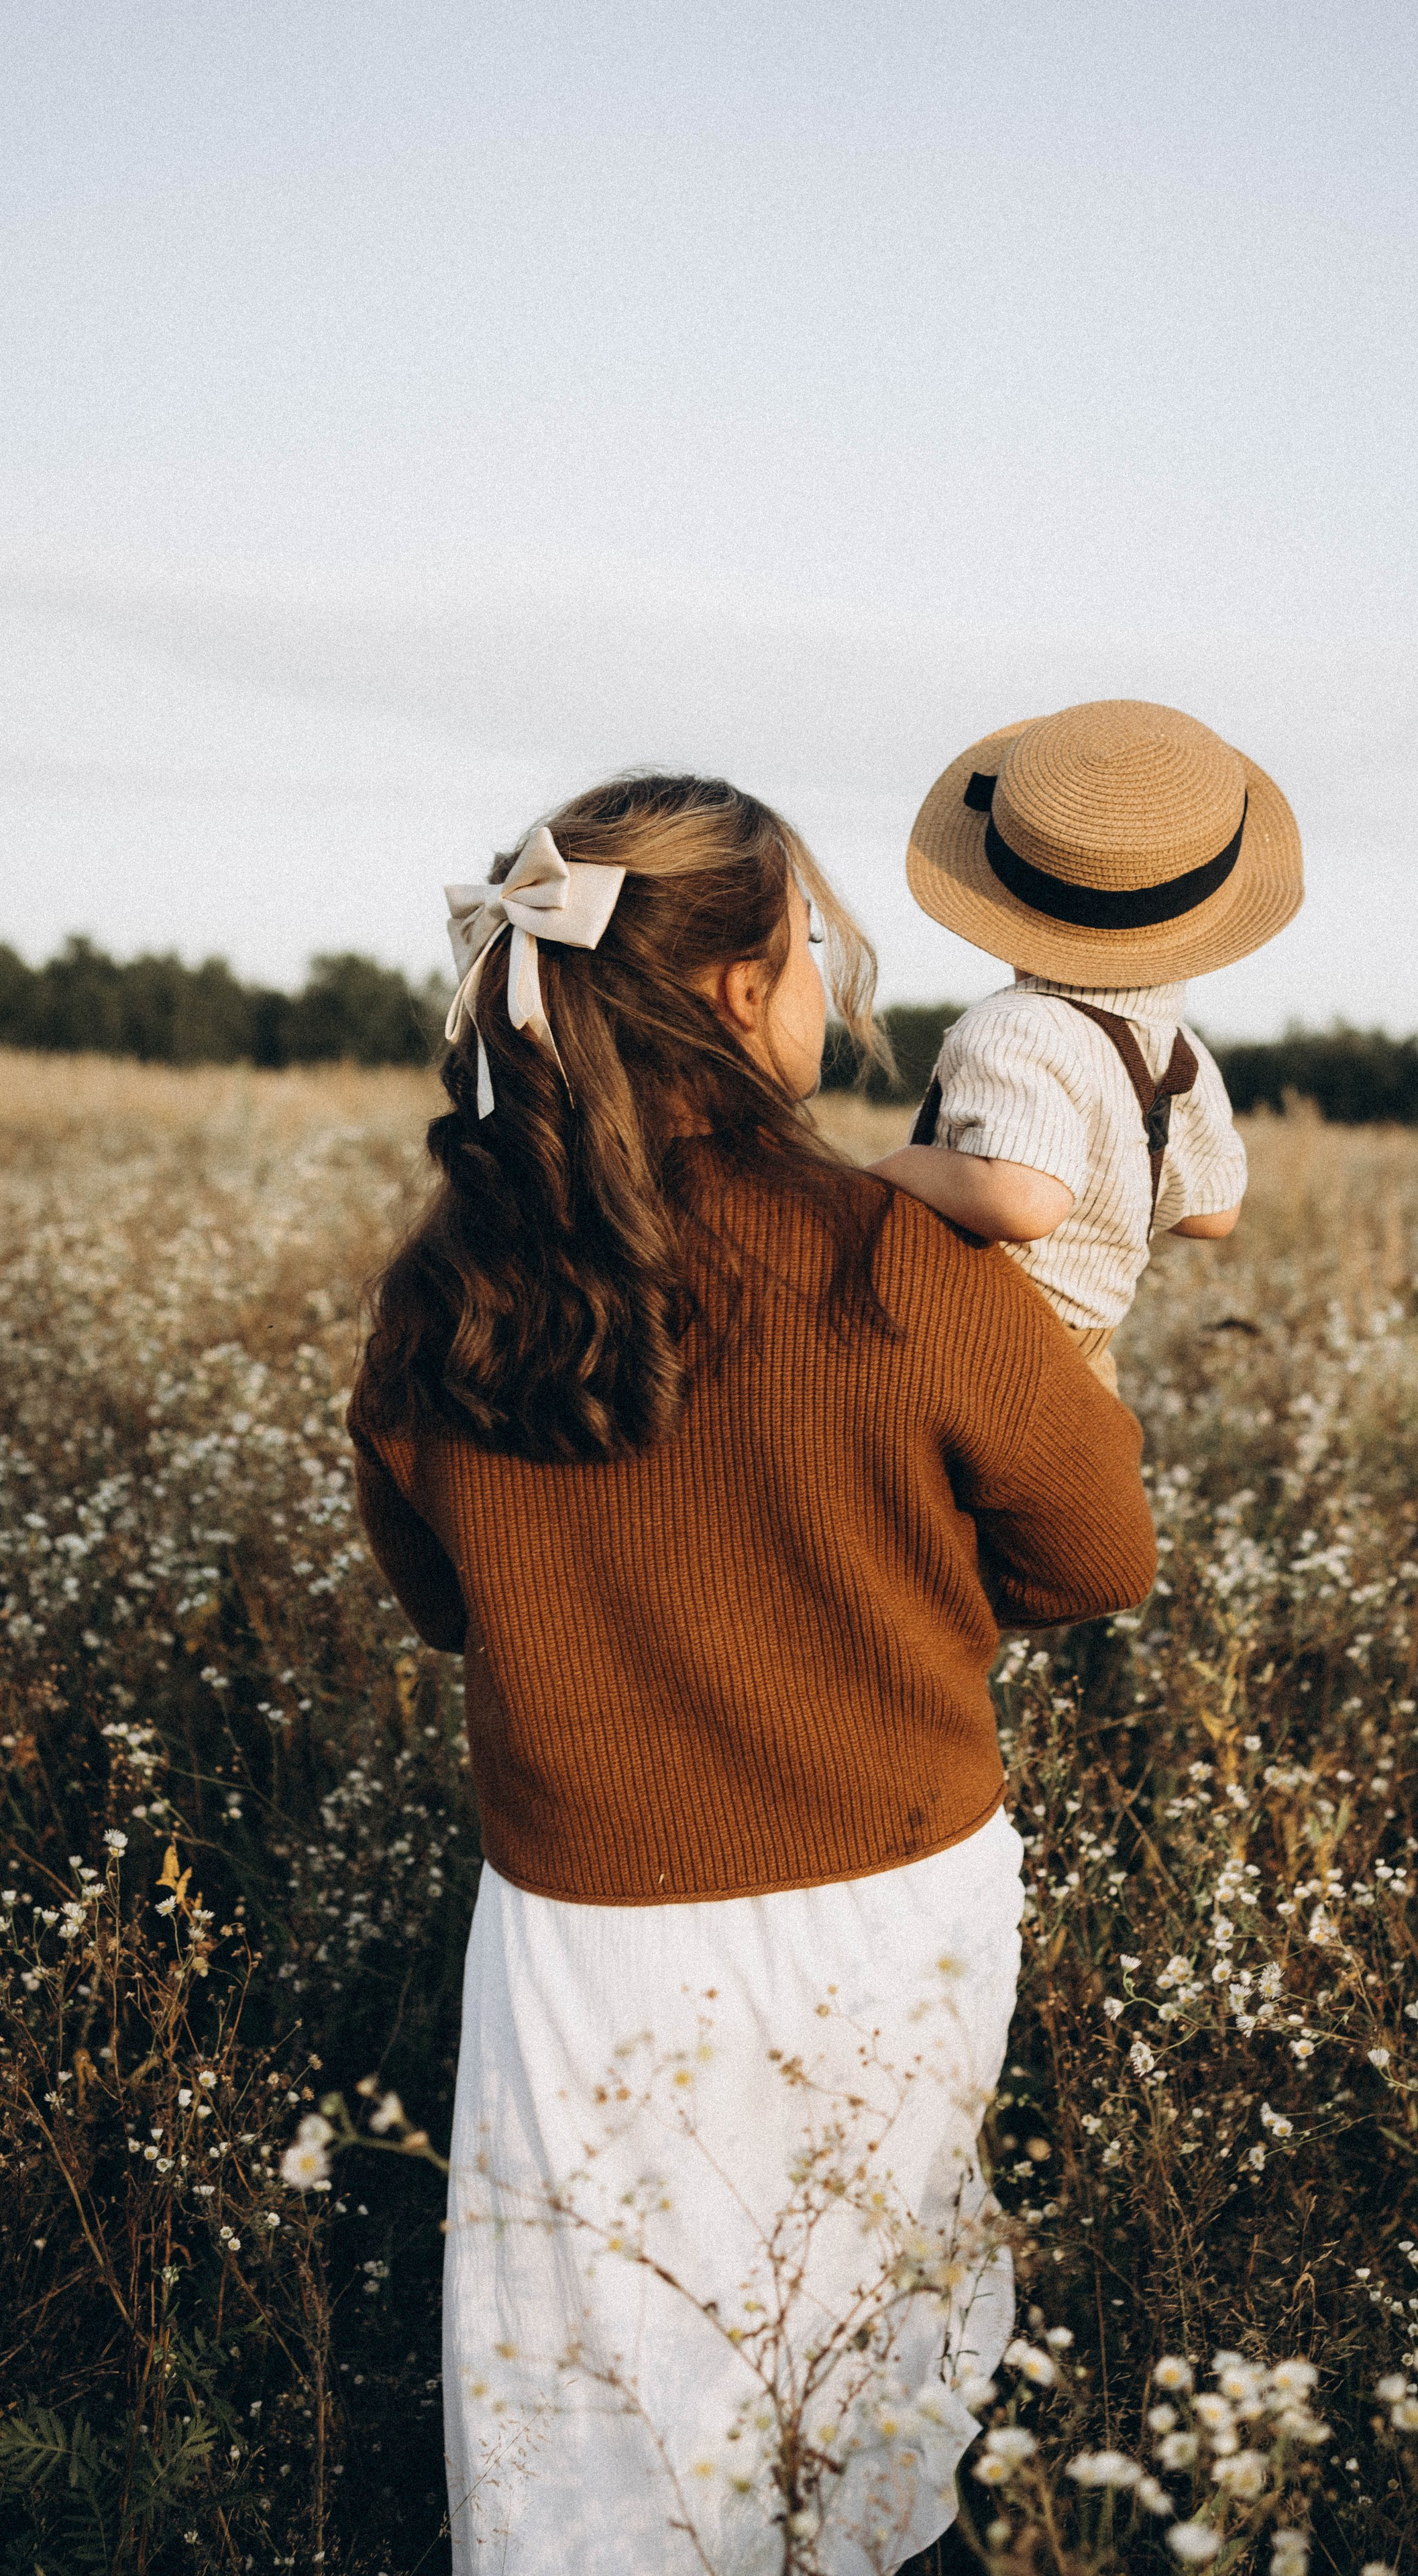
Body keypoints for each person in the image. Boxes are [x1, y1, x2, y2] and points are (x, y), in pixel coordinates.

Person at [347, 771, 1157, 2575]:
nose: (819, 983)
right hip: (886, 1903)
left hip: (586, 1943)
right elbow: (1102, 1557)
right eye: (806, 945)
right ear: (736, 994)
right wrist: (882, 1590)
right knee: (859, 2363)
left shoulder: (450, 1287)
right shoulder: (898, 1255)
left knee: (603, 2392)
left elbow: (440, 1593)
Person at [872, 698, 1303, 1387]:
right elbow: (1213, 1215)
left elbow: (1023, 1202)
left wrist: (895, 1169)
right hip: (1089, 1355)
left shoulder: (1014, 1027)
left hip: (974, 1349)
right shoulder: (1180, 1048)